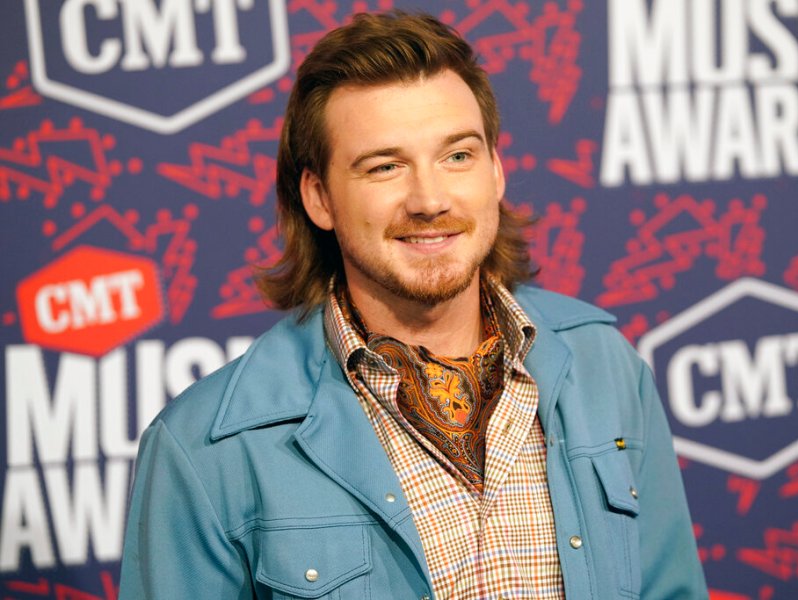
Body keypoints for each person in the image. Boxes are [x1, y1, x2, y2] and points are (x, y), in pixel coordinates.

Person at [119, 11, 707, 600]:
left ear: (496, 171)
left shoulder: (603, 363)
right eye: (385, 167)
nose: (430, 199)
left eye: (457, 156)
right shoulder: (206, 450)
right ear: (319, 198)